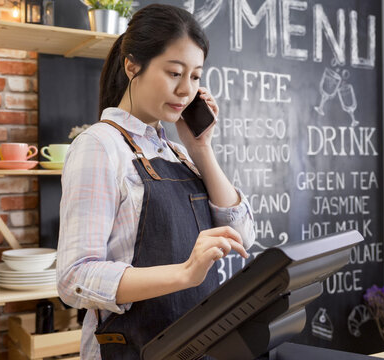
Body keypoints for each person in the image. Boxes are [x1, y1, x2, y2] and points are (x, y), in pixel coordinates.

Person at [56, 4, 256, 359]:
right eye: (175, 73)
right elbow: (75, 279)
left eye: (195, 77)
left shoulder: (179, 153)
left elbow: (242, 236)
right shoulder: (99, 146)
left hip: (195, 346)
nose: (186, 90)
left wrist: (201, 148)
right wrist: (184, 274)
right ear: (132, 65)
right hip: (132, 349)